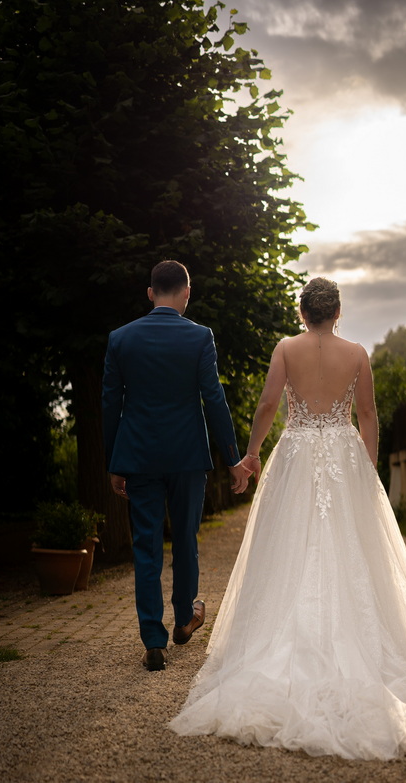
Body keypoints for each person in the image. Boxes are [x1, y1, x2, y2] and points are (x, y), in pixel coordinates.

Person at [169, 277, 406, 760]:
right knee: (353, 549)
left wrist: (252, 453)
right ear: (336, 312)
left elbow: (268, 404)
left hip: (297, 454)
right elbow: (367, 414)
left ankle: (278, 641)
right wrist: (369, 468)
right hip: (343, 456)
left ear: (303, 313)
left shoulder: (285, 348)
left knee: (285, 549)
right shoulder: (357, 353)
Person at [102, 260, 250, 672]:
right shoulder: (200, 337)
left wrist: (114, 461)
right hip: (187, 456)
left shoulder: (120, 339)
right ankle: (185, 618)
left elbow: (110, 404)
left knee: (146, 547)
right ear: (186, 293)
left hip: (139, 457)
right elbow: (214, 400)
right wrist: (233, 457)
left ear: (151, 293)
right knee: (185, 537)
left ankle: (154, 640)